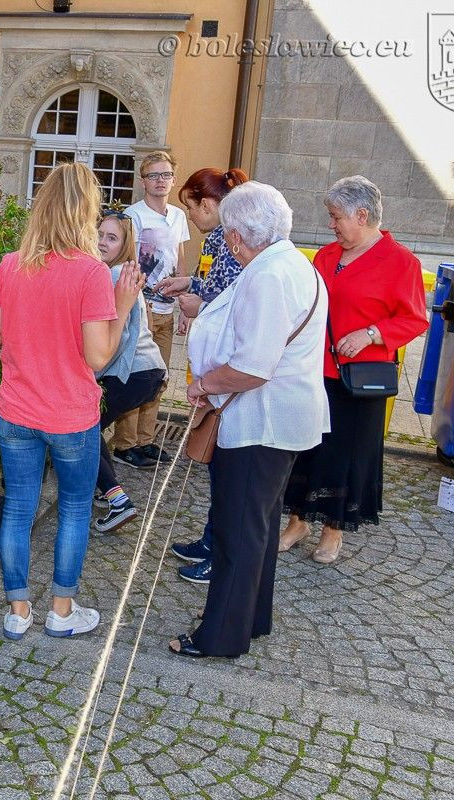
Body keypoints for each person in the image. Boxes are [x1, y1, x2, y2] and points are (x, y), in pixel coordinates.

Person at [0, 163, 145, 641]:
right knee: (73, 508)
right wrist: (124, 304)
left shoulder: (12, 264)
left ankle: (18, 612)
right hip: (70, 414)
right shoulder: (92, 273)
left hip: (16, 411)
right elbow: (97, 356)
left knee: (17, 508)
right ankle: (61, 612)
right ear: (85, 212)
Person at [169, 181, 328, 659]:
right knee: (255, 526)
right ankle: (251, 615)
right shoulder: (288, 262)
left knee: (240, 530)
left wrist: (203, 383)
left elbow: (253, 367)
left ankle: (221, 636)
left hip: (262, 422)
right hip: (276, 420)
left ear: (237, 236)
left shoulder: (267, 274)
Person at [280, 176, 428, 564]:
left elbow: (415, 319)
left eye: (336, 217)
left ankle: (333, 530)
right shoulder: (327, 256)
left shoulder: (402, 262)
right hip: (316, 369)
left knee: (346, 456)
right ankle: (299, 520)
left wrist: (372, 333)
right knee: (309, 447)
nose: (332, 224)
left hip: (361, 378)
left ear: (362, 216)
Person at [155, 167, 249, 585]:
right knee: (216, 462)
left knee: (224, 464)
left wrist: (198, 304)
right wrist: (190, 282)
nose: (190, 218)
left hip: (227, 366)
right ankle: (212, 539)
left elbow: (232, 300)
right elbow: (217, 283)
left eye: (191, 209)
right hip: (216, 361)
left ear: (208, 204)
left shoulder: (232, 238)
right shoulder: (218, 238)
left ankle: (220, 548)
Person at [109, 150, 190, 469]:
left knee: (158, 377)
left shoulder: (178, 216)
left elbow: (180, 257)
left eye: (166, 175)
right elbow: (126, 258)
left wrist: (185, 301)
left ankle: (145, 440)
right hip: (140, 307)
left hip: (168, 307)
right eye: (153, 175)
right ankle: (124, 443)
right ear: (143, 181)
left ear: (173, 178)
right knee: (134, 373)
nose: (160, 181)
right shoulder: (134, 215)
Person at [93, 208, 167, 534]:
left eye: (111, 237)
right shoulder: (125, 272)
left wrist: (93, 373)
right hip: (148, 371)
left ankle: (117, 500)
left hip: (134, 371)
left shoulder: (113, 275)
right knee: (91, 430)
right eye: (99, 234)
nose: (102, 242)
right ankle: (104, 489)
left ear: (125, 244)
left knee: (82, 430)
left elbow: (118, 335)